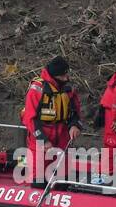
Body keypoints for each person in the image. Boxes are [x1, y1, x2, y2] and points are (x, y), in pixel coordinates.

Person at [20, 55, 81, 183]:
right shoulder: (37, 90)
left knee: (64, 176)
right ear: (54, 76)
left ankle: (61, 193)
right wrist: (43, 140)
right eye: (63, 76)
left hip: (62, 137)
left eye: (66, 74)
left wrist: (74, 125)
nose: (66, 78)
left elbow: (75, 111)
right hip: (40, 138)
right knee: (38, 178)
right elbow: (30, 119)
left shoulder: (67, 89)